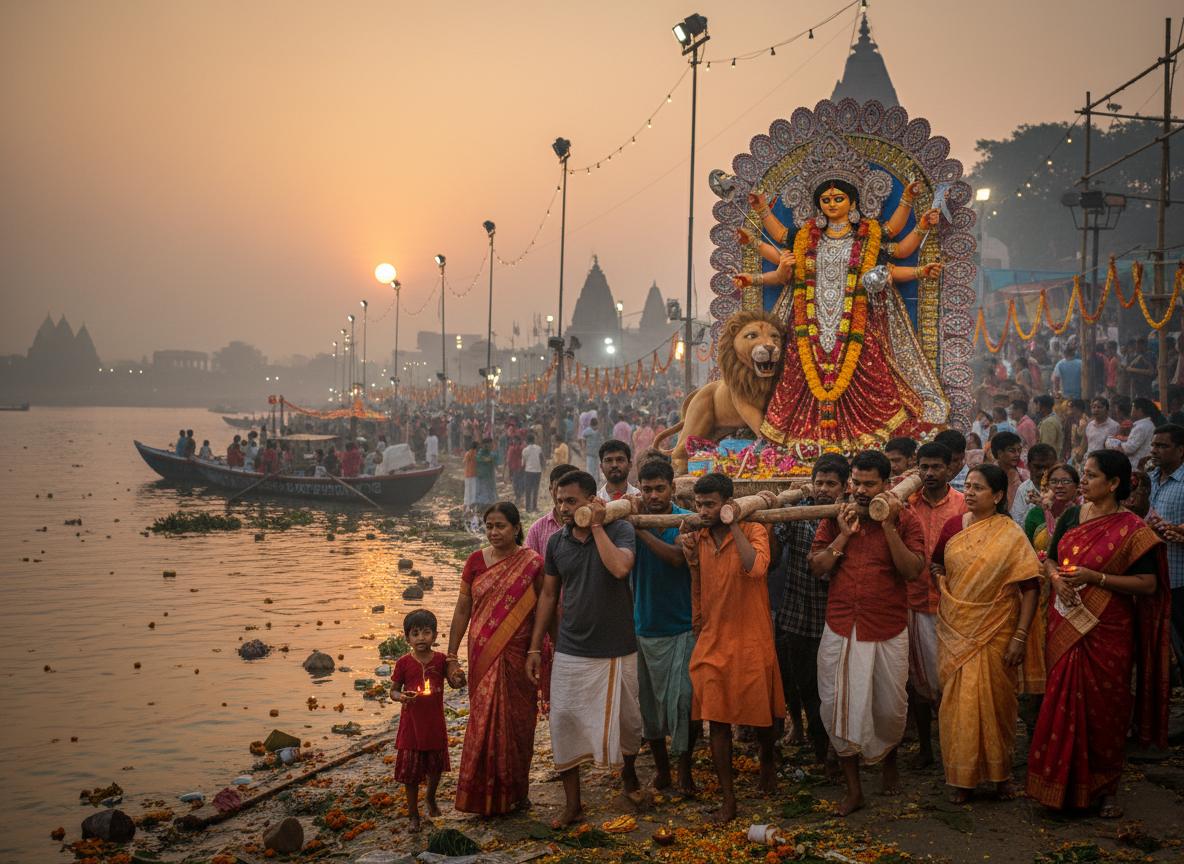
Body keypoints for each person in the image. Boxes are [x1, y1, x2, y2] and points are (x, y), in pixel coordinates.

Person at [1026, 449, 1171, 817]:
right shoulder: (1074, 514)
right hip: (1066, 620)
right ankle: (1059, 786)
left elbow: (1149, 584)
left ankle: (1106, 788)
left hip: (1109, 629)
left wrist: (1097, 578)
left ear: (1114, 483)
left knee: (1106, 707)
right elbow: (1052, 558)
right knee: (1061, 699)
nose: (1083, 482)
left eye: (1090, 476)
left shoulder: (1134, 529)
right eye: (1085, 475)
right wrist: (1057, 580)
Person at [810, 450, 925, 816]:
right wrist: (843, 537)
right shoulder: (835, 517)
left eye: (869, 483)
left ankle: (888, 763)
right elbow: (817, 568)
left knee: (889, 708)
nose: (860, 490)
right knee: (840, 705)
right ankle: (854, 790)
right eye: (856, 482)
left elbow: (912, 571)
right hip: (842, 626)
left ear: (886, 484)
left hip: (887, 627)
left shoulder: (907, 519)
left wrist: (888, 525)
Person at [526, 471, 641, 828]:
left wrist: (595, 526)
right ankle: (573, 804)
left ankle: (630, 776)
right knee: (563, 723)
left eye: (571, 501)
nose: (563, 508)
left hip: (616, 645)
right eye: (560, 501)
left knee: (628, 722)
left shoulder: (620, 530)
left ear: (592, 501)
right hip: (571, 647)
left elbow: (621, 568)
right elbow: (548, 594)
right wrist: (535, 647)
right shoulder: (557, 543)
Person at [931, 464, 1043, 803]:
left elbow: (1030, 588)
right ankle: (961, 779)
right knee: (956, 705)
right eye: (968, 485)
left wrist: (1020, 637)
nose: (971, 492)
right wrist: (949, 592)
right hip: (957, 628)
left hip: (999, 631)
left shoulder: (1010, 534)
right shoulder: (953, 527)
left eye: (979, 487)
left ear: (997, 495)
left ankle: (1000, 776)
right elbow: (937, 565)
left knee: (997, 705)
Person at [680, 472, 783, 822]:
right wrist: (698, 625)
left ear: (727, 502)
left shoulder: (755, 529)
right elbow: (696, 583)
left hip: (753, 635)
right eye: (699, 504)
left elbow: (755, 569)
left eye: (710, 504)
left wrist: (735, 522)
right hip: (713, 638)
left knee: (763, 716)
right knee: (716, 720)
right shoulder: (699, 536)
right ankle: (729, 798)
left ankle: (767, 760)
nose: (704, 510)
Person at [447, 503, 543, 816]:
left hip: (519, 653)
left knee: (518, 721)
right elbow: (463, 610)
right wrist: (451, 656)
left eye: (500, 526)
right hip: (482, 653)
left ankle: (517, 791)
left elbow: (544, 609)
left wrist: (539, 650)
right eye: (489, 526)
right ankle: (481, 798)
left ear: (516, 528)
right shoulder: (475, 561)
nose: (493, 532)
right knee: (483, 719)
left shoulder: (532, 564)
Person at [771, 453, 848, 766]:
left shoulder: (851, 518)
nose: (824, 489)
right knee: (807, 691)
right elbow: (774, 558)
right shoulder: (798, 514)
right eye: (819, 482)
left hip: (837, 620)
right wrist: (773, 515)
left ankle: (838, 750)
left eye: (831, 484)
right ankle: (821, 752)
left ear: (845, 487)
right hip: (799, 618)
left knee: (836, 692)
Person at [630, 459, 697, 795]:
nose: (653, 495)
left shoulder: (685, 522)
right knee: (650, 708)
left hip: (683, 625)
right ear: (639, 489)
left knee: (684, 703)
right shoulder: (626, 523)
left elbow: (675, 558)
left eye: (660, 488)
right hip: (644, 626)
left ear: (672, 488)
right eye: (647, 489)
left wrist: (639, 528)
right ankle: (662, 772)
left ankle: (685, 773)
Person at [904, 441, 966, 769]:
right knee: (917, 681)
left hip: (952, 604)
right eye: (923, 467)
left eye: (936, 467)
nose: (929, 473)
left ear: (949, 469)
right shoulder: (904, 503)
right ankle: (926, 749)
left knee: (950, 681)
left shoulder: (964, 505)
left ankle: (951, 748)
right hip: (913, 600)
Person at [391, 609, 451, 832]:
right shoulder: (404, 663)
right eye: (415, 634)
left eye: (426, 633)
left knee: (435, 769)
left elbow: (454, 682)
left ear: (435, 636)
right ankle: (413, 815)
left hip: (434, 726)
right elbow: (393, 691)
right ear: (407, 638)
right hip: (411, 729)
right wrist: (401, 697)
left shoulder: (441, 660)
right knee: (411, 775)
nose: (421, 638)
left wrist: (458, 676)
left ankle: (431, 798)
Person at [1146, 424, 1184, 678]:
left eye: (1162, 446)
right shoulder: (1148, 480)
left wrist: (1179, 531)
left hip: (1179, 578)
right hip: (1151, 578)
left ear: (1180, 450)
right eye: (1154, 445)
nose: (1155, 450)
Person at [1023, 463, 1080, 554]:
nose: (1059, 486)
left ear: (1077, 486)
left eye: (1065, 481)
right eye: (1054, 482)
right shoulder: (1043, 510)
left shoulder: (1083, 508)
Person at [1009, 442, 1057, 524]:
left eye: (1047, 467)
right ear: (1028, 466)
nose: (1043, 472)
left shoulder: (1061, 488)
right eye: (1038, 467)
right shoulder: (1024, 489)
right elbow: (1016, 522)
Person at [1111, 396, 1156, 469]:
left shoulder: (1141, 427)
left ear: (1139, 410)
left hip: (1137, 465)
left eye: (1132, 408)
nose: (1131, 411)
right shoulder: (1147, 424)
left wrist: (1117, 445)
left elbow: (1130, 448)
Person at [990, 431, 1028, 512]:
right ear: (1000, 453)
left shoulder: (1025, 476)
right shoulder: (987, 475)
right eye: (1012, 451)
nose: (1017, 454)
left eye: (1019, 450)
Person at [521, 433, 544, 512]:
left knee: (528, 490)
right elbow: (541, 459)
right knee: (535, 490)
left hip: (528, 471)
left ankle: (528, 508)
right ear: (534, 440)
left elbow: (523, 464)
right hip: (537, 471)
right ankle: (534, 507)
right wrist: (543, 467)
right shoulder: (539, 448)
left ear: (527, 441)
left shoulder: (525, 450)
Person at [475, 438, 497, 507]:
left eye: (491, 444)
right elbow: (481, 459)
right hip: (482, 476)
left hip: (489, 476)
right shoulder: (480, 453)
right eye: (490, 444)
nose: (491, 445)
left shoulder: (491, 453)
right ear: (485, 445)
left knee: (489, 490)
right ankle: (483, 505)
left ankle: (488, 504)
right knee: (483, 490)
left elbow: (493, 460)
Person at [463, 441, 478, 513]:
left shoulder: (468, 453)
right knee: (473, 492)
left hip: (467, 475)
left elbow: (464, 462)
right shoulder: (475, 454)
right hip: (474, 475)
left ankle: (466, 508)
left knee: (467, 492)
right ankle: (472, 509)